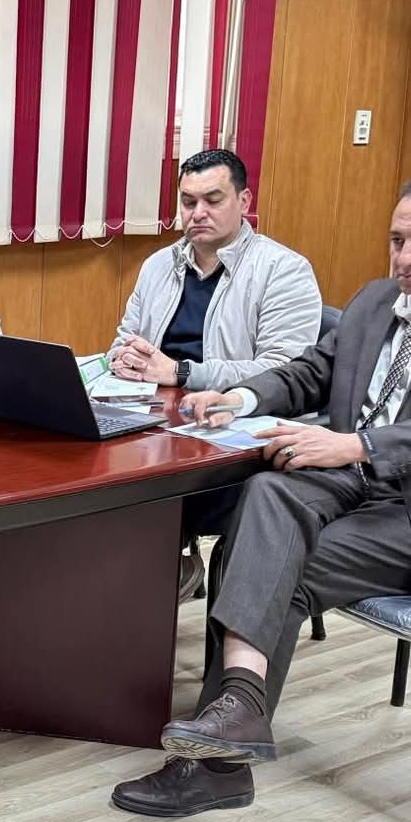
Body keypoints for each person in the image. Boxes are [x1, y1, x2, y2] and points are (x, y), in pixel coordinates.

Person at [110, 167, 411, 818]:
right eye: (398, 240)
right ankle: (239, 711)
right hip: (368, 492)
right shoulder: (377, 300)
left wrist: (357, 445)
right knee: (267, 495)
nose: (406, 257)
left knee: (270, 566)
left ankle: (214, 765)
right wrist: (240, 396)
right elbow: (311, 372)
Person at [104, 147, 324, 600]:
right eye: (188, 202)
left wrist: (183, 372)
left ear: (244, 201)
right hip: (157, 419)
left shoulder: (283, 270)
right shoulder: (159, 265)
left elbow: (284, 370)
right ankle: (137, 582)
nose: (198, 213)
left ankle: (154, 578)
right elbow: (125, 339)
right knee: (92, 473)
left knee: (141, 489)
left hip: (234, 432)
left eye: (213, 199)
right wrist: (122, 359)